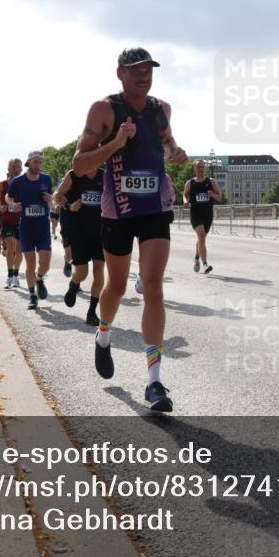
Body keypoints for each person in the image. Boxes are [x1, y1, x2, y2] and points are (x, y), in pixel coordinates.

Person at [73, 47, 187, 412]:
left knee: (152, 286)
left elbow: (167, 141)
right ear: (120, 73)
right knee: (117, 287)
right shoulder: (104, 110)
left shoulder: (160, 109)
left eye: (148, 70)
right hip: (118, 209)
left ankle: (154, 383)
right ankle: (103, 333)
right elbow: (79, 164)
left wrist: (176, 151)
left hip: (155, 205)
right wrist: (116, 143)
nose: (144, 76)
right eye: (136, 70)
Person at [54, 155, 105, 326]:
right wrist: (69, 205)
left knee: (99, 271)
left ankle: (92, 312)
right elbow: (57, 195)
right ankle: (74, 283)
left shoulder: (104, 176)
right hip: (78, 231)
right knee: (82, 272)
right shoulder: (74, 175)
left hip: (100, 231)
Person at [6, 151, 54, 309]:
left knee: (45, 264)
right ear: (29, 162)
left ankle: (39, 278)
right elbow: (8, 196)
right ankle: (33, 296)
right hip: (26, 227)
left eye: (41, 162)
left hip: (43, 227)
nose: (38, 165)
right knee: (30, 264)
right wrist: (12, 205)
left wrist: (50, 198)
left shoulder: (47, 179)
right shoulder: (19, 181)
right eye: (35, 162)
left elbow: (51, 196)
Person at [183, 159, 222, 274]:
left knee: (201, 240)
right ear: (194, 169)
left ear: (204, 168)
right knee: (201, 237)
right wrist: (186, 201)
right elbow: (185, 194)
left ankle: (196, 258)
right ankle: (205, 264)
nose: (200, 169)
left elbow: (219, 197)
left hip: (207, 215)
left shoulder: (211, 182)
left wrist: (213, 194)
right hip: (195, 214)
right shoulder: (190, 183)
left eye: (202, 167)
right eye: (198, 167)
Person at [0, 159, 24, 287]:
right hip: (7, 220)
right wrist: (0, 206)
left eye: (18, 167)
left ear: (22, 169)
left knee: (19, 249)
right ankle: (9, 275)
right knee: (10, 245)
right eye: (13, 167)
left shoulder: (25, 184)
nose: (16, 169)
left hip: (22, 220)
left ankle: (16, 274)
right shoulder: (2, 184)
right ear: (8, 169)